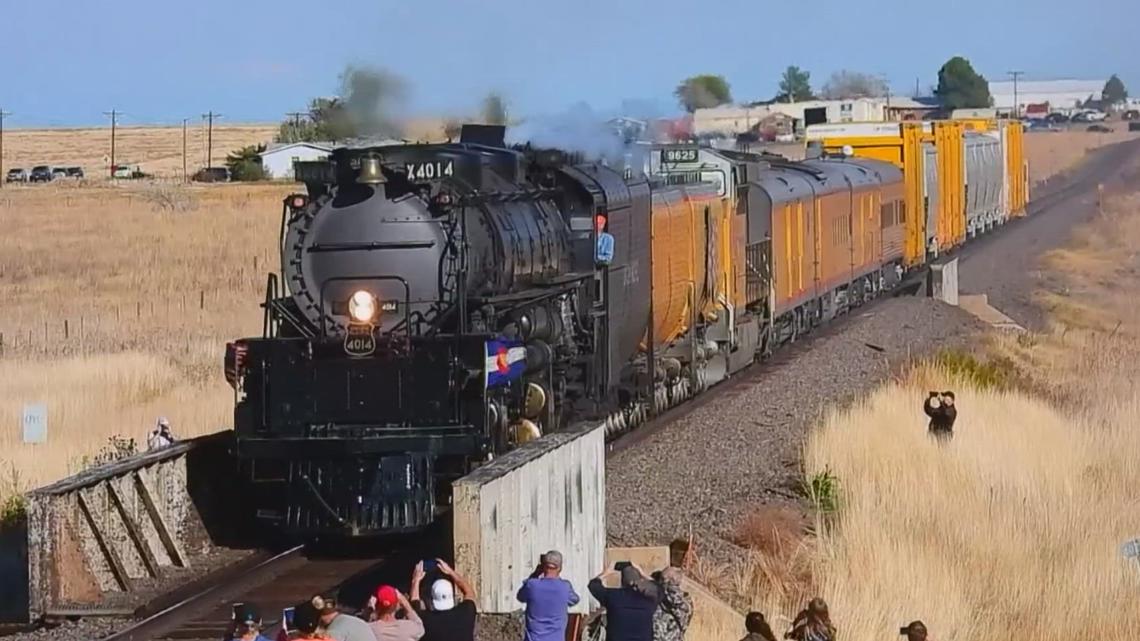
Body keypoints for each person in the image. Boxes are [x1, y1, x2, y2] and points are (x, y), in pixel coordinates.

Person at [517, 550, 580, 641]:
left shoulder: (532, 585)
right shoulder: (565, 587)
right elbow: (575, 599)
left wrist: (534, 575)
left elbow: (520, 596)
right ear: (560, 568)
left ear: (543, 567)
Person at [587, 563, 660, 641]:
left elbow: (593, 585)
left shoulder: (613, 596)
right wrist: (642, 573)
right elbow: (660, 588)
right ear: (640, 580)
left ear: (622, 582)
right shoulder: (650, 600)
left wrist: (606, 572)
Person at [409, 558, 477, 641]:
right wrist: (451, 572)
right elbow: (470, 593)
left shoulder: (425, 621)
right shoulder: (466, 614)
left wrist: (416, 580)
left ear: (432, 600)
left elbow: (413, 605)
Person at [651, 567, 692, 641]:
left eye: (662, 578)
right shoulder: (666, 596)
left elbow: (672, 596)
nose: (659, 581)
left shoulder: (681, 600)